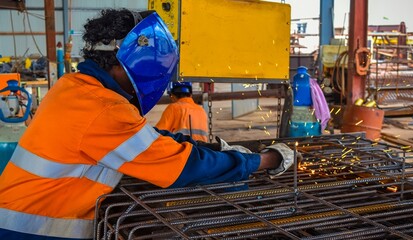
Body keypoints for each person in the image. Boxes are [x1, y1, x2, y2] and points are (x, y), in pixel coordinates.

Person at [0, 9, 296, 240]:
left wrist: (211, 147)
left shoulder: (75, 87)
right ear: (124, 62)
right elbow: (182, 167)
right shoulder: (104, 108)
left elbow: (147, 139)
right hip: (30, 230)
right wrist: (264, 160)